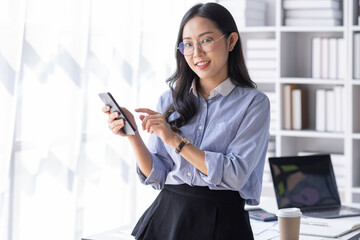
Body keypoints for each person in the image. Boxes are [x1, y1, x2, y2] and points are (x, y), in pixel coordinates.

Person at [102, 2, 270, 240]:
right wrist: (133, 135)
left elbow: (235, 174)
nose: (196, 53)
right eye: (188, 44)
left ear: (231, 41)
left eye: (206, 40)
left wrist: (175, 140)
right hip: (166, 217)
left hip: (223, 222)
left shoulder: (254, 103)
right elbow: (157, 174)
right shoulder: (168, 99)